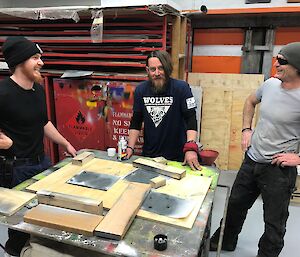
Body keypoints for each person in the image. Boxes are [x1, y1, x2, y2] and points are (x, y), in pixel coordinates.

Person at [210, 42, 300, 257]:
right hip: (252, 160)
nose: (276, 63)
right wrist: (246, 130)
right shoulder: (269, 85)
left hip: (278, 170)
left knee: (274, 223)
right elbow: (250, 101)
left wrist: (298, 158)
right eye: (276, 58)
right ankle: (224, 242)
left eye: (282, 61)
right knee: (234, 207)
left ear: (297, 66)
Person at [0, 36, 77, 256]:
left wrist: (65, 142)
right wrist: (5, 144)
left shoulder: (38, 90)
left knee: (44, 219)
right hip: (16, 170)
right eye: (35, 58)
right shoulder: (3, 94)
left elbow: (44, 122)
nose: (41, 62)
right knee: (21, 226)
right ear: (19, 62)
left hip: (41, 163)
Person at [126, 50, 201, 170]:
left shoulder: (182, 88)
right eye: (153, 69)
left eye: (160, 68)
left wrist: (190, 148)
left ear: (167, 68)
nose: (157, 73)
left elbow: (191, 118)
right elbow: (136, 121)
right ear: (147, 71)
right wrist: (130, 148)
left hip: (178, 157)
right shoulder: (140, 90)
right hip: (150, 157)